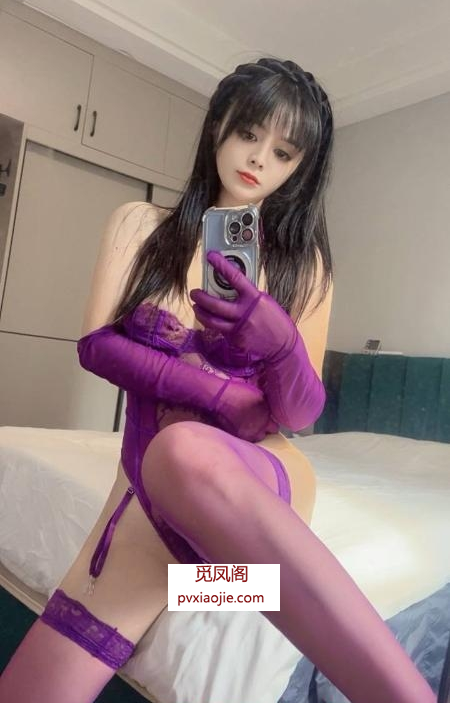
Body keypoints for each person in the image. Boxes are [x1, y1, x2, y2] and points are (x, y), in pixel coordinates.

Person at [0, 57, 436, 703]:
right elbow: (96, 347)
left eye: (283, 152)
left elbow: (299, 413)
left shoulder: (305, 268)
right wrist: (215, 391)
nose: (259, 158)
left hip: (258, 475)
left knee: (183, 450)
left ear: (299, 168)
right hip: (152, 490)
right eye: (248, 133)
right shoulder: (139, 225)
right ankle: (209, 587)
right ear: (217, 127)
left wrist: (281, 344)